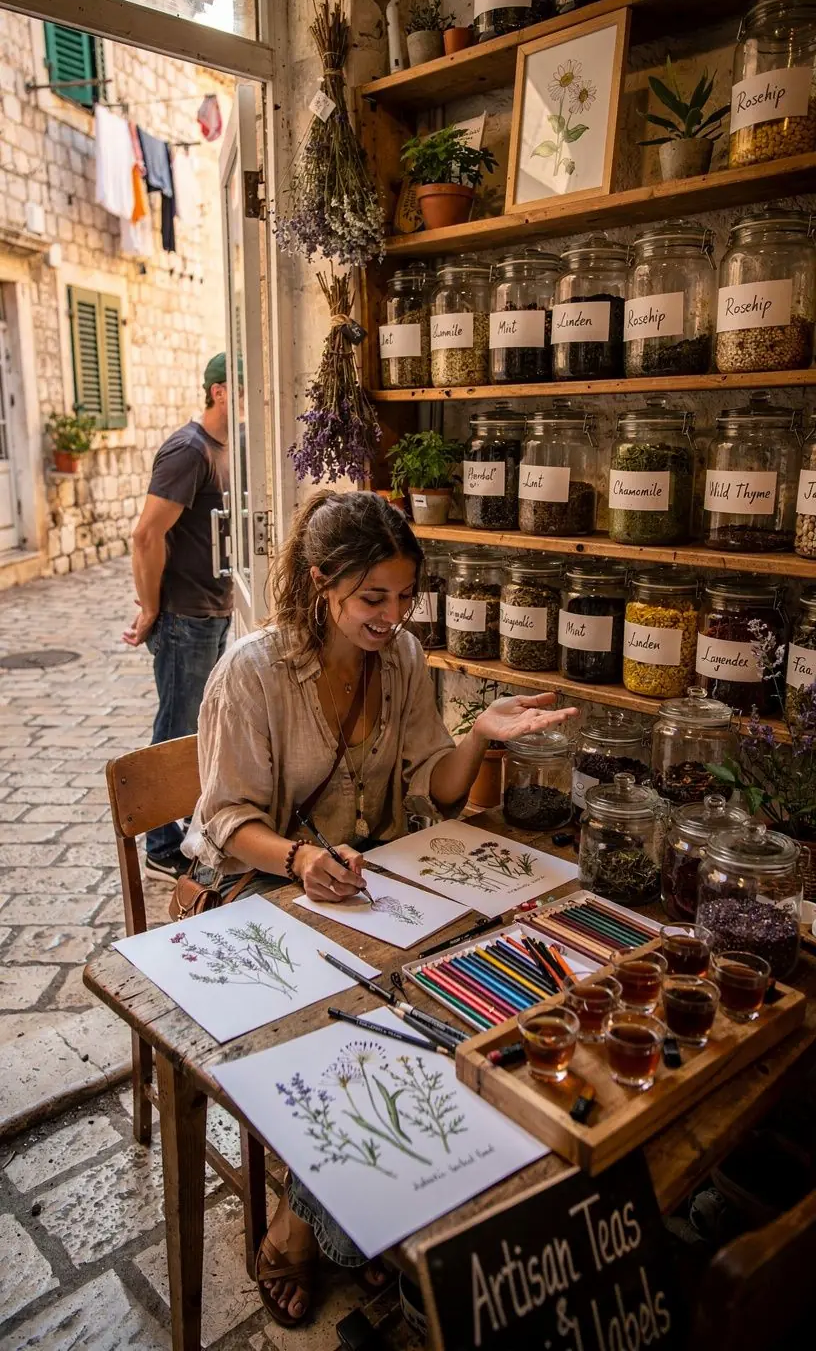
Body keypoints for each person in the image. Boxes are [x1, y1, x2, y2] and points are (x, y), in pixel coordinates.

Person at [183, 489, 577, 1328]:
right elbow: (221, 820)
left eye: (405, 597)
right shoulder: (250, 674)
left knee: (455, 1005)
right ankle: (302, 1225)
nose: (393, 617)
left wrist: (478, 737)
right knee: (350, 1034)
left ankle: (380, 1208)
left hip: (371, 886)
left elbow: (431, 792)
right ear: (322, 584)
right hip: (264, 885)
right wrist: (301, 858)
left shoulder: (401, 661)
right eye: (373, 599)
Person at [123, 352, 232, 880]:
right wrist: (150, 608)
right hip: (185, 616)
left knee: (200, 726)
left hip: (214, 611)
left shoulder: (226, 447)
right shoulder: (188, 450)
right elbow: (146, 535)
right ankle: (161, 845)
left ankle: (188, 825)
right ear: (218, 391)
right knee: (175, 727)